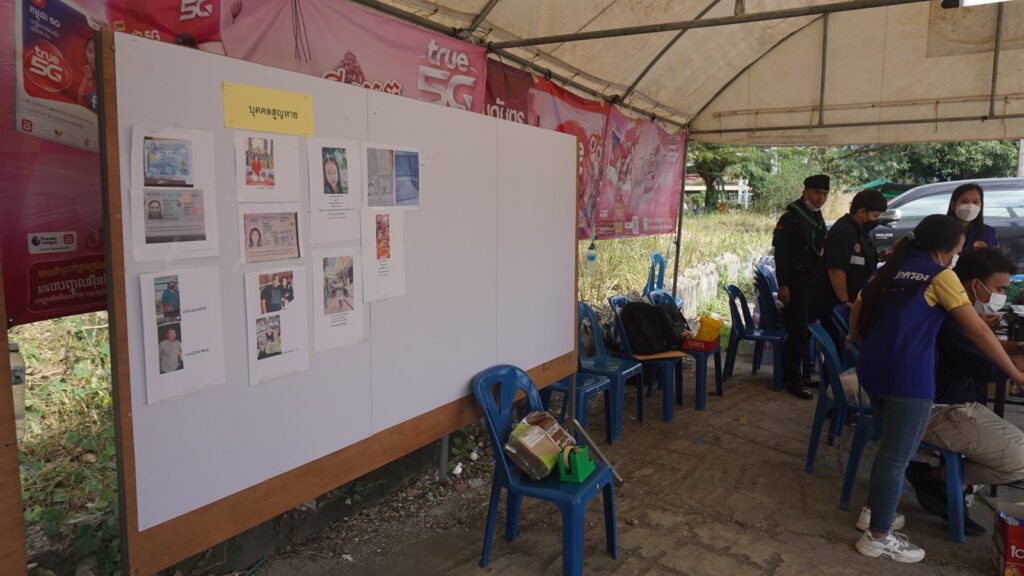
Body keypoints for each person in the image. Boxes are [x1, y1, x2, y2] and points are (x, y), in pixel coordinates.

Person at [849, 215, 1024, 562]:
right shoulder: (939, 276)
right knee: (896, 458)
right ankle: (878, 537)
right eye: (958, 251)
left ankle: (875, 514)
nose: (957, 257)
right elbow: (977, 332)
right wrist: (1016, 375)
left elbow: (858, 309)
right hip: (908, 380)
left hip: (874, 372)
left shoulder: (886, 270)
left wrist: (855, 338)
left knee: (891, 452)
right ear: (944, 250)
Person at [905, 248, 1024, 536]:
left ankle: (946, 482)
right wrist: (1018, 365)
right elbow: (984, 367)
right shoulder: (952, 317)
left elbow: (982, 349)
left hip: (955, 401)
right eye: (1000, 289)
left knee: (1012, 450)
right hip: (938, 410)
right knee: (1018, 462)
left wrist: (1016, 350)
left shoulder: (956, 310)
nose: (1003, 297)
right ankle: (936, 478)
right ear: (975, 285)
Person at [772, 174, 829, 399]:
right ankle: (793, 379)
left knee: (804, 331)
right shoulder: (791, 218)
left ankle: (801, 375)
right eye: (816, 192)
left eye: (824, 194)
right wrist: (783, 284)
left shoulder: (816, 217)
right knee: (797, 330)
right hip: (794, 282)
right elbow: (781, 255)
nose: (820, 198)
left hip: (811, 283)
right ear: (805, 191)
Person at [814, 190, 887, 350]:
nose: (877, 220)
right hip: (838, 306)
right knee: (839, 350)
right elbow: (836, 269)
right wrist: (845, 301)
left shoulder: (860, 232)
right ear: (861, 212)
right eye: (875, 216)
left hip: (853, 304)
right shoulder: (843, 231)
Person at [947, 183, 998, 255]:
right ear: (953, 205)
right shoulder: (940, 231)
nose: (970, 206)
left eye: (975, 202)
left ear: (981, 205)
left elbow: (993, 261)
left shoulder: (988, 233)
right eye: (964, 201)